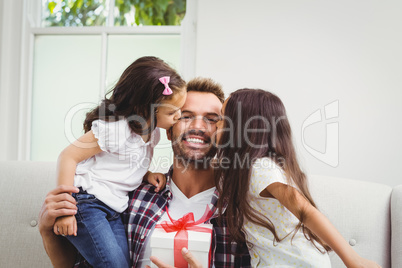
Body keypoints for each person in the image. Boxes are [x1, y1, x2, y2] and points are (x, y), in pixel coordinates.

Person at [38, 77, 252, 268]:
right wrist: (48, 233)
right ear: (168, 130)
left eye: (212, 119)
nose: (198, 126)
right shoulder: (129, 196)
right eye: (185, 116)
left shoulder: (243, 205)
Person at [214, 88, 381, 268]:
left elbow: (306, 211)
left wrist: (353, 260)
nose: (216, 124)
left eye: (223, 118)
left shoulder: (260, 169)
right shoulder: (242, 170)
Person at [52, 56, 187, 268]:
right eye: (172, 112)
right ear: (146, 109)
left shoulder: (153, 134)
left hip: (114, 209)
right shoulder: (116, 129)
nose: (178, 116)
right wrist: (65, 212)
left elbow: (124, 163)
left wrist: (146, 174)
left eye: (181, 110)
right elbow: (68, 156)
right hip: (87, 204)